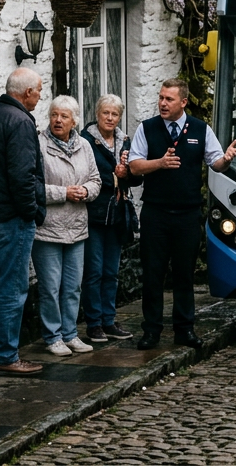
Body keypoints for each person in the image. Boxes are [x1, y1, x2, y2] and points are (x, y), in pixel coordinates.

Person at [128, 78, 236, 350]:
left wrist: (226, 160)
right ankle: (151, 331)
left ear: (184, 102)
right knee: (153, 274)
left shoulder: (200, 129)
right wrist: (160, 163)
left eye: (169, 99)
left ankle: (185, 329)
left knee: (184, 275)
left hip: (187, 214)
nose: (163, 103)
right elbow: (134, 165)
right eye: (161, 97)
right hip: (156, 213)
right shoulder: (147, 128)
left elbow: (215, 162)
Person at [0, 67, 46, 377]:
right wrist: (32, 212)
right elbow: (22, 176)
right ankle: (4, 356)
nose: (40, 97)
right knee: (12, 289)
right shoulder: (20, 121)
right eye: (39, 91)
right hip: (9, 218)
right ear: (27, 93)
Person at [34, 95, 101, 356]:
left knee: (73, 286)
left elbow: (96, 179)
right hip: (48, 228)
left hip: (77, 227)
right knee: (50, 287)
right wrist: (64, 193)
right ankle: (53, 337)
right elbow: (33, 186)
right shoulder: (39, 144)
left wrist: (86, 191)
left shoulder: (84, 145)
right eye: (54, 115)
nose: (58, 120)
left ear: (74, 121)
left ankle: (70, 334)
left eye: (64, 116)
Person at [80, 94, 141, 342]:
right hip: (94, 215)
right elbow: (83, 173)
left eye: (115, 114)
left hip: (117, 215)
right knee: (94, 272)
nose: (110, 118)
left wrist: (126, 174)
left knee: (111, 272)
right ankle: (94, 323)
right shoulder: (86, 141)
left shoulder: (125, 141)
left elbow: (136, 178)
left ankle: (109, 320)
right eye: (106, 112)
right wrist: (113, 176)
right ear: (97, 114)